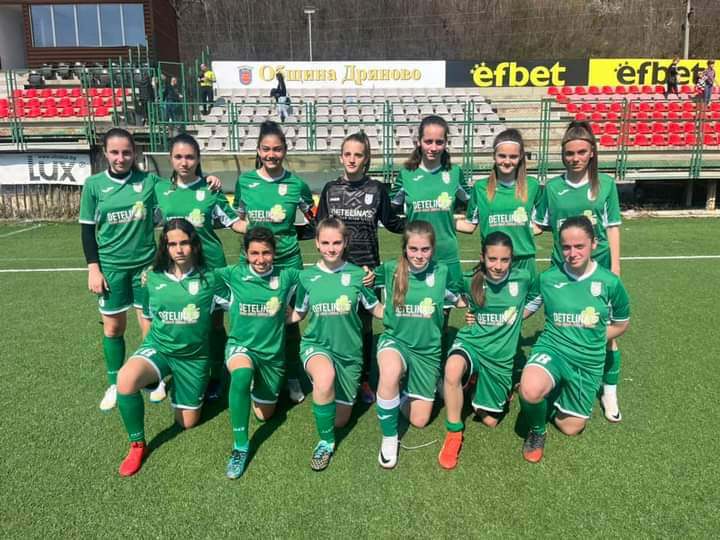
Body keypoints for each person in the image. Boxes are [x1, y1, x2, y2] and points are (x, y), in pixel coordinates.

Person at [114, 219, 227, 476]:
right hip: (160, 348)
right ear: (164, 246)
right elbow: (146, 315)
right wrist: (144, 354)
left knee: (187, 423)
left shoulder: (211, 278)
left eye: (184, 243)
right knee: (126, 379)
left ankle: (189, 384)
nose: (179, 249)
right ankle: (137, 444)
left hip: (193, 358)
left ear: (194, 245)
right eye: (172, 244)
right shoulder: (152, 278)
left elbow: (238, 307)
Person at [532, 120, 624, 423]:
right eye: (569, 153)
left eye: (581, 152)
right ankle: (562, 379)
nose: (575, 158)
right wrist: (509, 228)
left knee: (605, 334)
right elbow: (538, 225)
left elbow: (613, 226)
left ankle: (609, 390)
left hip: (598, 270)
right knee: (563, 327)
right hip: (562, 270)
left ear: (592, 152)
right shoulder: (552, 188)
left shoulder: (605, 185)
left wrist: (615, 266)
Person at [518, 216, 630, 463]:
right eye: (566, 247)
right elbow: (524, 310)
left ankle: (551, 393)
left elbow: (621, 324)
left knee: (571, 428)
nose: (572, 253)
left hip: (587, 361)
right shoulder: (548, 278)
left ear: (594, 244)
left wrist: (594, 337)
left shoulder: (610, 283)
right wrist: (486, 314)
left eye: (579, 246)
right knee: (530, 389)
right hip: (553, 349)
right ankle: (537, 430)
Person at [438, 232, 540, 470]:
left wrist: (517, 317)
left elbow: (538, 297)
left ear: (512, 259)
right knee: (452, 369)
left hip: (500, 357)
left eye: (505, 260)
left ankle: (473, 383)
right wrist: (471, 314)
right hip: (472, 342)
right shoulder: (469, 279)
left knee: (490, 420)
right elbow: (458, 299)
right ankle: (454, 433)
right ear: (482, 257)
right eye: (492, 259)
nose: (498, 266)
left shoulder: (524, 278)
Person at [288, 218, 384, 471]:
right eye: (326, 242)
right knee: (325, 377)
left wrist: (404, 312)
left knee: (339, 420)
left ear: (345, 243)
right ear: (317, 243)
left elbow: (376, 309)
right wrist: (269, 314)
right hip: (317, 345)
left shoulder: (358, 275)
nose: (331, 248)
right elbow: (298, 313)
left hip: (350, 354)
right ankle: (326, 442)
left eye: (337, 242)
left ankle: (326, 392)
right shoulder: (307, 277)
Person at [317, 132, 405, 403]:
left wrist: (424, 220)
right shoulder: (330, 189)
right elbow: (320, 229)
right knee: (336, 320)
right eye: (348, 154)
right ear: (341, 156)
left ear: (366, 159)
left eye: (358, 155)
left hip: (367, 272)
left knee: (365, 326)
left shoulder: (376, 189)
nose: (352, 159)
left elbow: (393, 223)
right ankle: (333, 372)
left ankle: (364, 379)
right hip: (336, 270)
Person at [155, 133, 243, 400]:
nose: (184, 162)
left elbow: (234, 223)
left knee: (214, 324)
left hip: (210, 267)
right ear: (170, 159)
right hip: (176, 270)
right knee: (182, 321)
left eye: (190, 157)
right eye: (178, 157)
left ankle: (216, 374)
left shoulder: (210, 190)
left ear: (198, 159)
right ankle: (176, 371)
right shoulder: (159, 189)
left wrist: (267, 225)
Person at [233, 120, 315, 403]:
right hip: (252, 264)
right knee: (254, 318)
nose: (271, 154)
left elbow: (315, 217)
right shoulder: (245, 182)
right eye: (266, 149)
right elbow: (239, 221)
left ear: (285, 150)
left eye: (277, 149)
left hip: (287, 264)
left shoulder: (296, 185)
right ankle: (255, 370)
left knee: (289, 321)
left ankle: (291, 376)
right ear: (258, 150)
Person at [79, 128, 160, 412]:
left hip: (146, 266)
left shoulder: (148, 181)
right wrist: (93, 268)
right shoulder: (94, 185)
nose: (121, 158)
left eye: (126, 152)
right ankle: (115, 383)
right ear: (105, 153)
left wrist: (208, 179)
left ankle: (152, 378)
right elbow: (87, 230)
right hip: (111, 267)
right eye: (114, 152)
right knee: (114, 327)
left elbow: (179, 187)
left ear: (134, 153)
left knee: (149, 326)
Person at [374, 220, 464, 469]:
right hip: (396, 341)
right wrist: (378, 309)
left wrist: (475, 308)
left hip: (427, 352)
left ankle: (401, 391)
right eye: (413, 249)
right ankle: (389, 437)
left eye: (425, 249)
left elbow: (458, 298)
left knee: (420, 420)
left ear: (433, 249)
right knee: (390, 372)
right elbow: (362, 282)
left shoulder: (442, 272)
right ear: (405, 248)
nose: (419, 255)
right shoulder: (390, 269)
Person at [216, 227, 301, 479]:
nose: (260, 259)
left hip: (272, 355)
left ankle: (264, 384)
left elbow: (320, 278)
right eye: (254, 253)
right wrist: (155, 272)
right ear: (246, 253)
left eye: (266, 253)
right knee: (241, 375)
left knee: (264, 415)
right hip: (241, 346)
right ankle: (240, 447)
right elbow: (197, 274)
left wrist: (298, 314)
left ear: (274, 253)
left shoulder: (286, 275)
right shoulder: (233, 274)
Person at [391, 115, 468, 292]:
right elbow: (389, 211)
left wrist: (458, 223)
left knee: (452, 304)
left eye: (439, 142)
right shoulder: (406, 175)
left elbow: (475, 204)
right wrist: (407, 227)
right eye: (428, 141)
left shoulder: (455, 173)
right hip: (415, 256)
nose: (433, 148)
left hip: (447, 254)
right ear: (419, 141)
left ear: (446, 143)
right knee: (416, 306)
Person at [456, 128, 542, 283]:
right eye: (502, 156)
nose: (507, 161)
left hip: (524, 262)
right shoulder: (480, 188)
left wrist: (521, 230)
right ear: (494, 156)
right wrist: (442, 219)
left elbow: (541, 224)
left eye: (513, 156)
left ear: (521, 157)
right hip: (494, 263)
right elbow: (470, 225)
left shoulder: (533, 186)